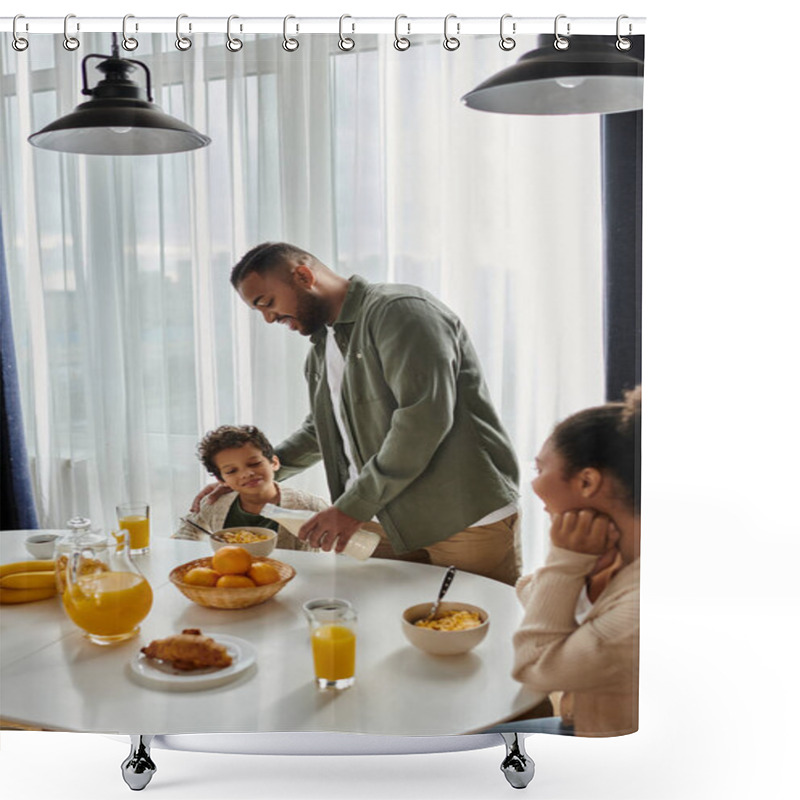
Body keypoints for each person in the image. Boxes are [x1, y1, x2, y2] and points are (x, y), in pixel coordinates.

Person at [196, 241, 522, 584]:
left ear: (304, 276)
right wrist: (248, 475)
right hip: (384, 523)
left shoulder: (400, 311)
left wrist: (352, 506)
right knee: (380, 629)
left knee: (479, 630)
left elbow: (422, 419)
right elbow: (321, 430)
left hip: (464, 520)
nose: (268, 318)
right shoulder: (322, 350)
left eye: (267, 303)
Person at [489, 386, 641, 737]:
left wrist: (567, 561)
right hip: (584, 723)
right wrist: (577, 568)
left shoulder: (637, 610)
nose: (534, 484)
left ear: (587, 481)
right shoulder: (618, 555)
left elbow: (535, 666)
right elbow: (529, 590)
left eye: (539, 468)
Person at [175, 424, 328, 550]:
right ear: (221, 479)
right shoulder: (215, 504)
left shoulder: (310, 506)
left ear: (274, 463)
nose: (247, 473)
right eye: (231, 471)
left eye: (254, 464)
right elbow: (188, 528)